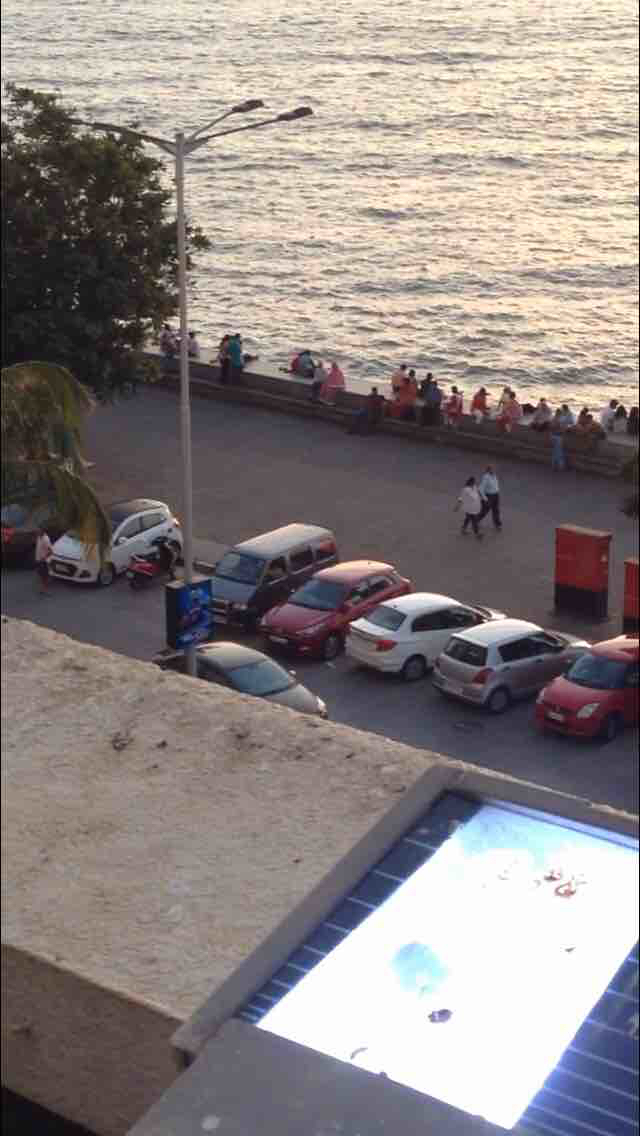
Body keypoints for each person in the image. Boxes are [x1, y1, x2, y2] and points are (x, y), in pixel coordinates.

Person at [478, 466, 502, 530]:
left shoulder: (494, 476)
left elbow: (495, 485)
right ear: (488, 470)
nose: (494, 470)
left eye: (494, 469)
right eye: (492, 469)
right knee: (484, 511)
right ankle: (476, 521)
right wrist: (485, 499)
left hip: (496, 495)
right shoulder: (486, 477)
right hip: (489, 496)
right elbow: (480, 489)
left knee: (496, 510)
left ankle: (497, 524)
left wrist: (497, 493)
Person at [34, 527, 53, 595]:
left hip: (43, 561)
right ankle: (43, 589)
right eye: (37, 530)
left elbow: (51, 551)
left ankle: (46, 590)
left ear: (42, 531)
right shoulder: (39, 537)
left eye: (38, 530)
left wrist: (44, 558)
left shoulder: (46, 539)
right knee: (41, 575)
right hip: (38, 560)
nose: (37, 531)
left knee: (45, 576)